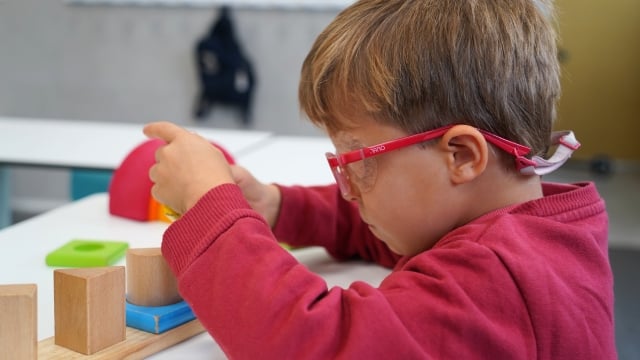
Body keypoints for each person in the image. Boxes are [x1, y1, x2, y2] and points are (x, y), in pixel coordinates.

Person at [144, 0, 617, 358]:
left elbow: (310, 343)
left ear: (461, 155)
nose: (349, 189)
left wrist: (209, 204)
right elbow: (392, 229)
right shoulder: (525, 228)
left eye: (360, 162)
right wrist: (279, 206)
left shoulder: (500, 280)